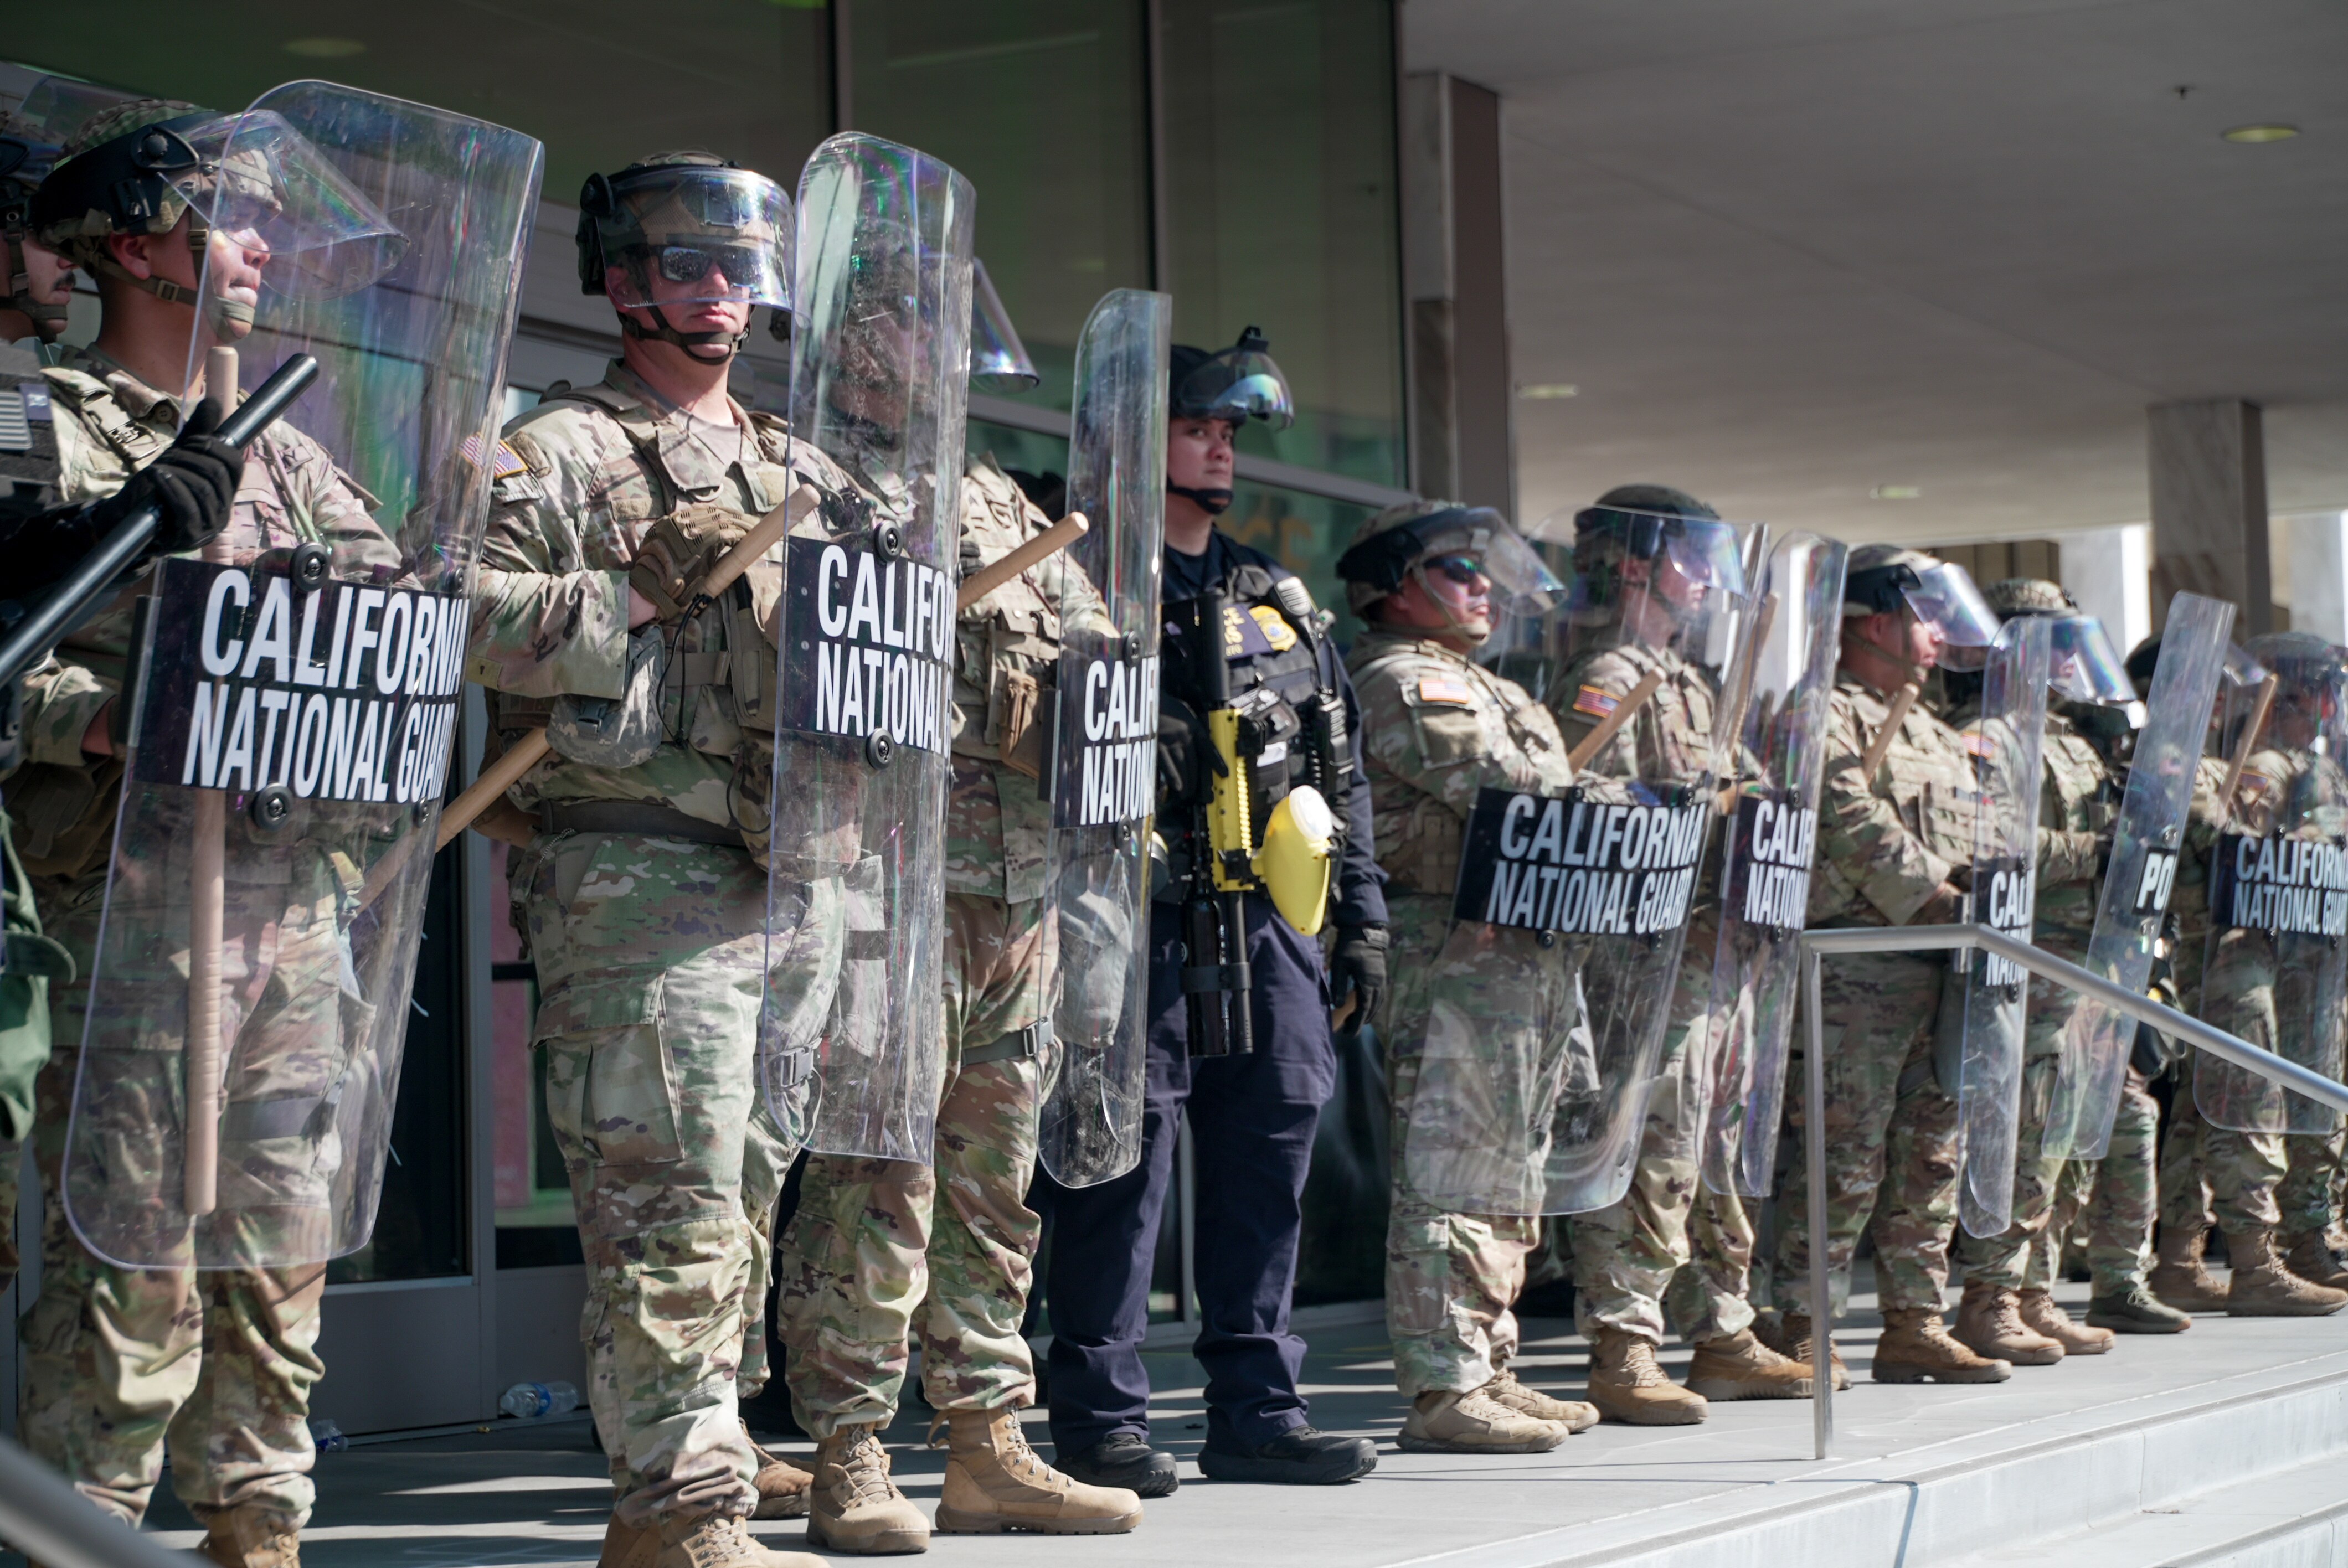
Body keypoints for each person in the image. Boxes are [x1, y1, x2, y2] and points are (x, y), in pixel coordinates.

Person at [9, 97, 410, 1568]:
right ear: (135, 245)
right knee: (130, 1270)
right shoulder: (27, 420)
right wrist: (95, 721)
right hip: (125, 917)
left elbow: (383, 632)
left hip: (291, 918)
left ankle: (259, 1531)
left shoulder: (290, 454)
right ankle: (84, 1535)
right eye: (226, 219)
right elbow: (8, 648)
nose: (261, 249)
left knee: (275, 1259)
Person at [467, 151, 827, 1568]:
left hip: (781, 870)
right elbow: (460, 610)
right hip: (629, 868)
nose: (722, 292)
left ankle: (704, 1447)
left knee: (742, 1189)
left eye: (739, 267)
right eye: (688, 265)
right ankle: (675, 1509)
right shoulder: (553, 450)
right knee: (663, 1194)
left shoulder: (800, 466)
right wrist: (627, 590)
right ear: (619, 283)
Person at [767, 452, 1144, 1550]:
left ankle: (986, 1447)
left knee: (993, 1191)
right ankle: (849, 1448)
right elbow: (810, 656)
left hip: (1015, 890)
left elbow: (1096, 651)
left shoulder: (999, 501)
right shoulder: (815, 475)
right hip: (892, 882)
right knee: (877, 1179)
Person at [1037, 329, 1387, 1490]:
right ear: (1138, 442)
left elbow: (1339, 775)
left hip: (1268, 919)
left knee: (1267, 1157)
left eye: (1230, 433)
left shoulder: (1270, 596)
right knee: (1115, 1169)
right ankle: (1101, 1419)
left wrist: (1361, 924)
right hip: (1123, 918)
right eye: (1197, 428)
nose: (1221, 450)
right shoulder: (1072, 580)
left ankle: (1256, 1410)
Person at [1546, 487, 1815, 1422]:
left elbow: (1749, 788)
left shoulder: (1692, 680)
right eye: (1689, 557)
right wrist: (1701, 811)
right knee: (1649, 1145)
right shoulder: (1611, 674)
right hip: (1637, 958)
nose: (1706, 578)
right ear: (1634, 564)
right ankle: (1624, 1347)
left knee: (1704, 1148)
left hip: (1712, 951)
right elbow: (1574, 799)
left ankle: (1722, 1329)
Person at [1338, 499, 1599, 1455]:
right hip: (1453, 954)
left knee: (1508, 1168)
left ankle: (1488, 1360)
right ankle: (1443, 1385)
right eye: (1455, 570)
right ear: (1394, 588)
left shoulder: (1484, 683)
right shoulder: (1401, 677)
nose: (1481, 585)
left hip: (1518, 954)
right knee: (1450, 1166)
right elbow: (1510, 793)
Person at [1762, 545, 2013, 1384]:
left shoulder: (1935, 727)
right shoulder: (1817, 710)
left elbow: (1982, 824)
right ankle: (1805, 1317)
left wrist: (1985, 881)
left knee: (1930, 1154)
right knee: (1844, 1154)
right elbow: (1845, 817)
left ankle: (1914, 1321)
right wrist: (1943, 898)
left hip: (1942, 967)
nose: (1938, 634)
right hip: (1855, 969)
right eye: (1923, 616)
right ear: (1876, 623)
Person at [1939, 580, 2128, 1362]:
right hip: (2024, 960)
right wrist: (2097, 853)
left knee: (2058, 1137)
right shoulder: (1983, 734)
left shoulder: (2070, 737)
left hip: (2079, 959)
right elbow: (1987, 845)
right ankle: (1988, 1298)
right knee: (2016, 1136)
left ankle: (2034, 1292)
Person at [2161, 632, 2348, 1317]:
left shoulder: (2316, 771)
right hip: (2237, 953)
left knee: (2207, 1106)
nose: (2325, 708)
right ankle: (2251, 1261)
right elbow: (2229, 845)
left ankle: (2185, 1258)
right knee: (2240, 1102)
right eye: (2315, 695)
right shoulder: (2264, 766)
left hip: (2289, 957)